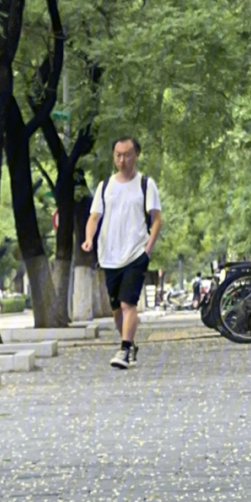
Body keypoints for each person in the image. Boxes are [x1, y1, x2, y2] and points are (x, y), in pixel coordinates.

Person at [84, 136, 162, 370]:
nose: (122, 159)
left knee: (129, 304)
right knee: (117, 309)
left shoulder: (145, 184)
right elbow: (94, 217)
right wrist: (89, 240)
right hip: (109, 255)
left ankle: (125, 349)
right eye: (118, 155)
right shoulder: (105, 186)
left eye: (127, 154)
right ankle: (128, 343)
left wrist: (148, 248)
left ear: (136, 155)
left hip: (135, 252)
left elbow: (156, 219)